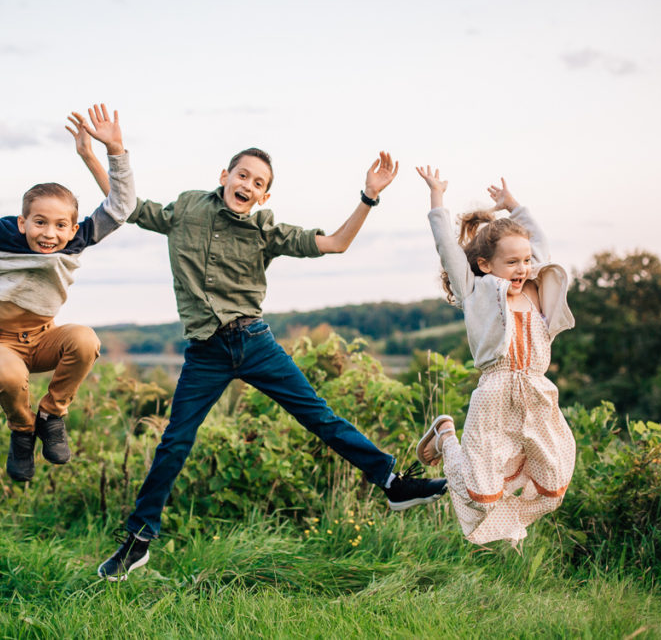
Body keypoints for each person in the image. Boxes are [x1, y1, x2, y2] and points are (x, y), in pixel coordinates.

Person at [68, 134, 448, 580]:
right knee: (174, 442)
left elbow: (336, 243)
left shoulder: (266, 231)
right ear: (224, 177)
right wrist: (95, 155)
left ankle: (392, 483)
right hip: (204, 352)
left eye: (258, 181)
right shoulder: (187, 208)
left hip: (253, 341)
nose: (247, 183)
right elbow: (126, 205)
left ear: (265, 195)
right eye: (242, 174)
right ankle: (138, 541)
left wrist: (368, 196)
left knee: (320, 418)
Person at [0, 93, 136, 482]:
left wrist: (114, 150)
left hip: (45, 339)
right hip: (2, 342)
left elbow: (122, 206)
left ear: (72, 229)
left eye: (60, 225)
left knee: (85, 340)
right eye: (39, 222)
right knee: (8, 378)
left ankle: (52, 415)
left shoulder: (79, 239)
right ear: (23, 222)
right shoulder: (1, 233)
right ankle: (22, 432)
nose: (49, 233)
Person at [414, 165, 575, 547]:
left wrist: (513, 206)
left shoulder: (536, 289)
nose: (522, 268)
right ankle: (446, 438)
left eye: (526, 261)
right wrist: (437, 197)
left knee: (552, 486)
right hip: (494, 395)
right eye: (512, 262)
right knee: (479, 491)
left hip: (537, 394)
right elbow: (448, 250)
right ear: (486, 265)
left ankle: (509, 526)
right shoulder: (477, 293)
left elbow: (539, 245)